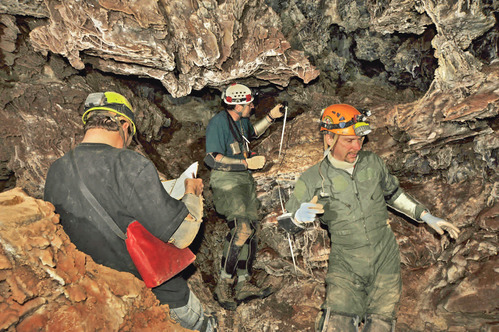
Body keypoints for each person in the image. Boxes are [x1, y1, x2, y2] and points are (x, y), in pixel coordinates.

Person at [44, 91, 216, 332]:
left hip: (106, 299)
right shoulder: (129, 164)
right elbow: (183, 234)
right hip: (160, 296)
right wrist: (192, 193)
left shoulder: (56, 172)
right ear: (124, 125)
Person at [280, 104, 460, 331]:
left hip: (385, 257)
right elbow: (285, 223)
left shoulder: (372, 163)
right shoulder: (312, 178)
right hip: (346, 262)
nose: (357, 146)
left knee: (382, 324)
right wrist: (297, 216)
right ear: (328, 138)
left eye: (360, 139)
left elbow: (393, 194)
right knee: (338, 323)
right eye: (349, 140)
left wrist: (426, 216)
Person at [204, 83, 284, 309]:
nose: (252, 106)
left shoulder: (242, 121)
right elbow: (211, 158)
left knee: (250, 231)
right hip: (227, 182)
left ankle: (243, 283)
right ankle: (223, 284)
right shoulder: (218, 123)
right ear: (237, 105)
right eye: (248, 103)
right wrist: (244, 163)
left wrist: (270, 117)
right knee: (241, 229)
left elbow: (252, 133)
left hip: (244, 182)